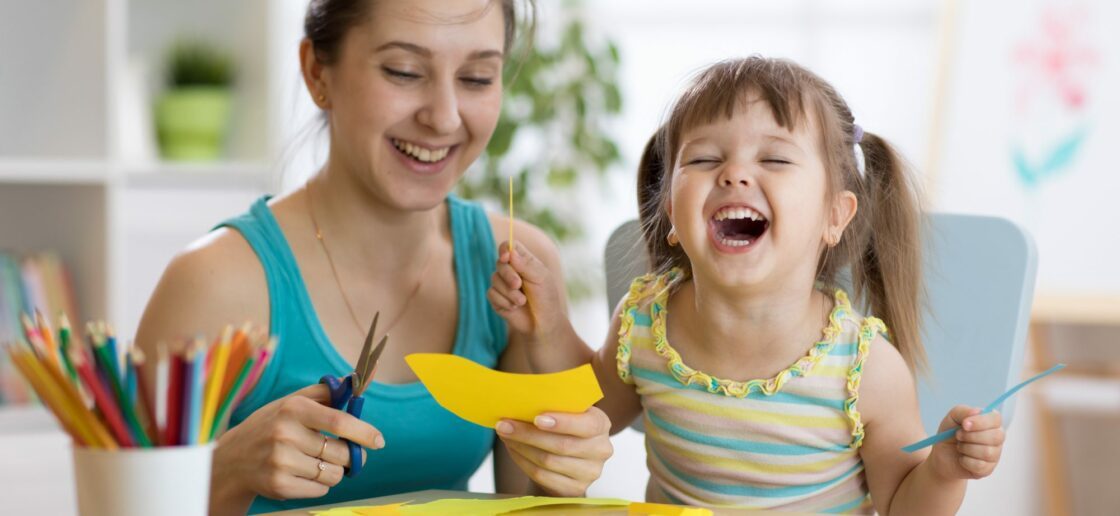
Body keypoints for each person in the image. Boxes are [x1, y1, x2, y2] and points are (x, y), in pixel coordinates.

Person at [135, 1, 612, 514]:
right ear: (319, 72)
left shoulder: (514, 270)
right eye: (404, 72)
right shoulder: (214, 283)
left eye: (477, 78)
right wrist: (224, 471)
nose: (444, 116)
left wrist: (565, 472)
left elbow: (531, 505)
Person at [488, 56, 1006, 513]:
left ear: (835, 214)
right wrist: (547, 323)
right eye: (704, 158)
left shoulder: (863, 368)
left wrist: (943, 470)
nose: (734, 173)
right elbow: (589, 414)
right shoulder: (644, 321)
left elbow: (901, 507)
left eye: (775, 159)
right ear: (670, 210)